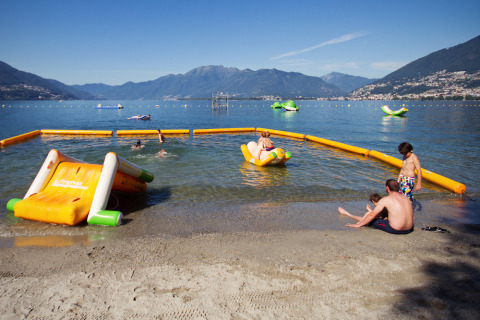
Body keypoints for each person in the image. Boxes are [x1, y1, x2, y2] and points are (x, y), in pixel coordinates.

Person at [341, 179, 414, 234]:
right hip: (409, 229)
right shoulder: (406, 198)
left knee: (372, 220)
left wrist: (358, 225)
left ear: (387, 188)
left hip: (397, 230)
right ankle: (348, 214)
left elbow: (372, 215)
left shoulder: (386, 199)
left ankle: (349, 215)